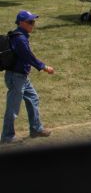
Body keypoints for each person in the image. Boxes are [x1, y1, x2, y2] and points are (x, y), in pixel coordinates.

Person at [1, 10, 55, 144]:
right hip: (16, 78)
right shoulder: (19, 38)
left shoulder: (21, 36)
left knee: (33, 98)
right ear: (21, 23)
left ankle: (36, 129)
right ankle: (7, 136)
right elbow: (27, 56)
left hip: (22, 77)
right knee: (13, 108)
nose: (33, 24)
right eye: (30, 22)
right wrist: (43, 67)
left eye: (33, 21)